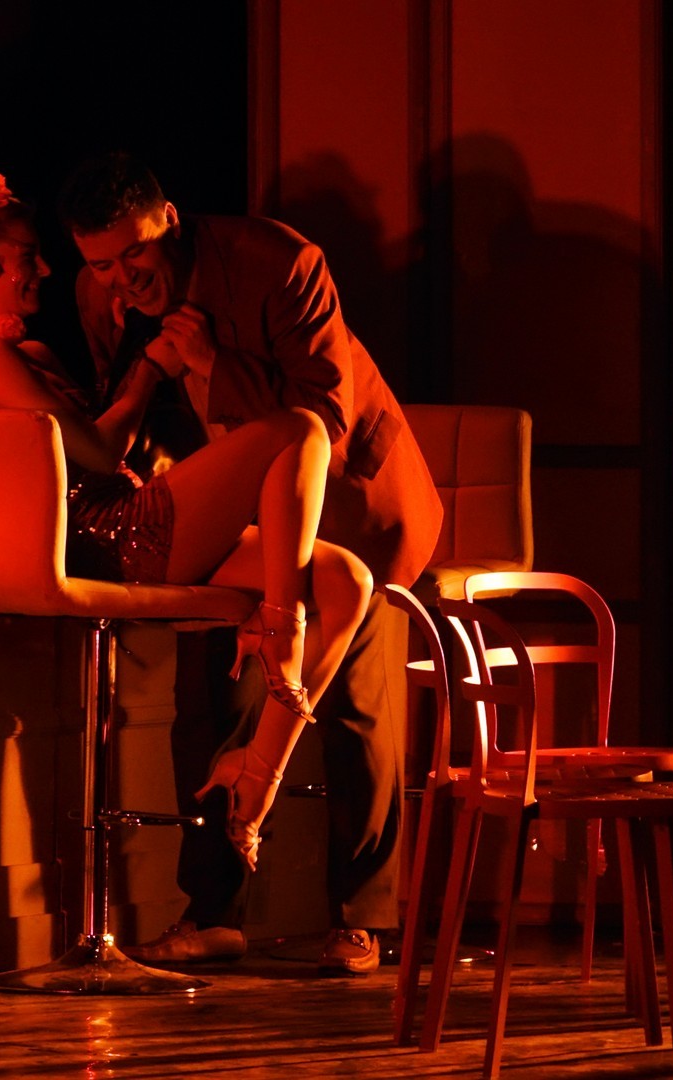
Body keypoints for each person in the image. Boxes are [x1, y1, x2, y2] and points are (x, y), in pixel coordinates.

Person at [58, 153, 443, 976]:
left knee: (355, 709)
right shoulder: (103, 294)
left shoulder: (282, 263)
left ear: (168, 219)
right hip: (235, 520)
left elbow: (324, 417)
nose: (123, 278)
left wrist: (209, 366)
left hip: (349, 502)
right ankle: (214, 914)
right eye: (102, 264)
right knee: (210, 698)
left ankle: (361, 918)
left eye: (135, 254)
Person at [0, 169, 373, 874]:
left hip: (129, 518)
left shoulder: (22, 352)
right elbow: (99, 450)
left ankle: (259, 765)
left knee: (347, 579)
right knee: (299, 428)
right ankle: (282, 628)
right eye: (27, 257)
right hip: (111, 538)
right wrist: (150, 368)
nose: (44, 270)